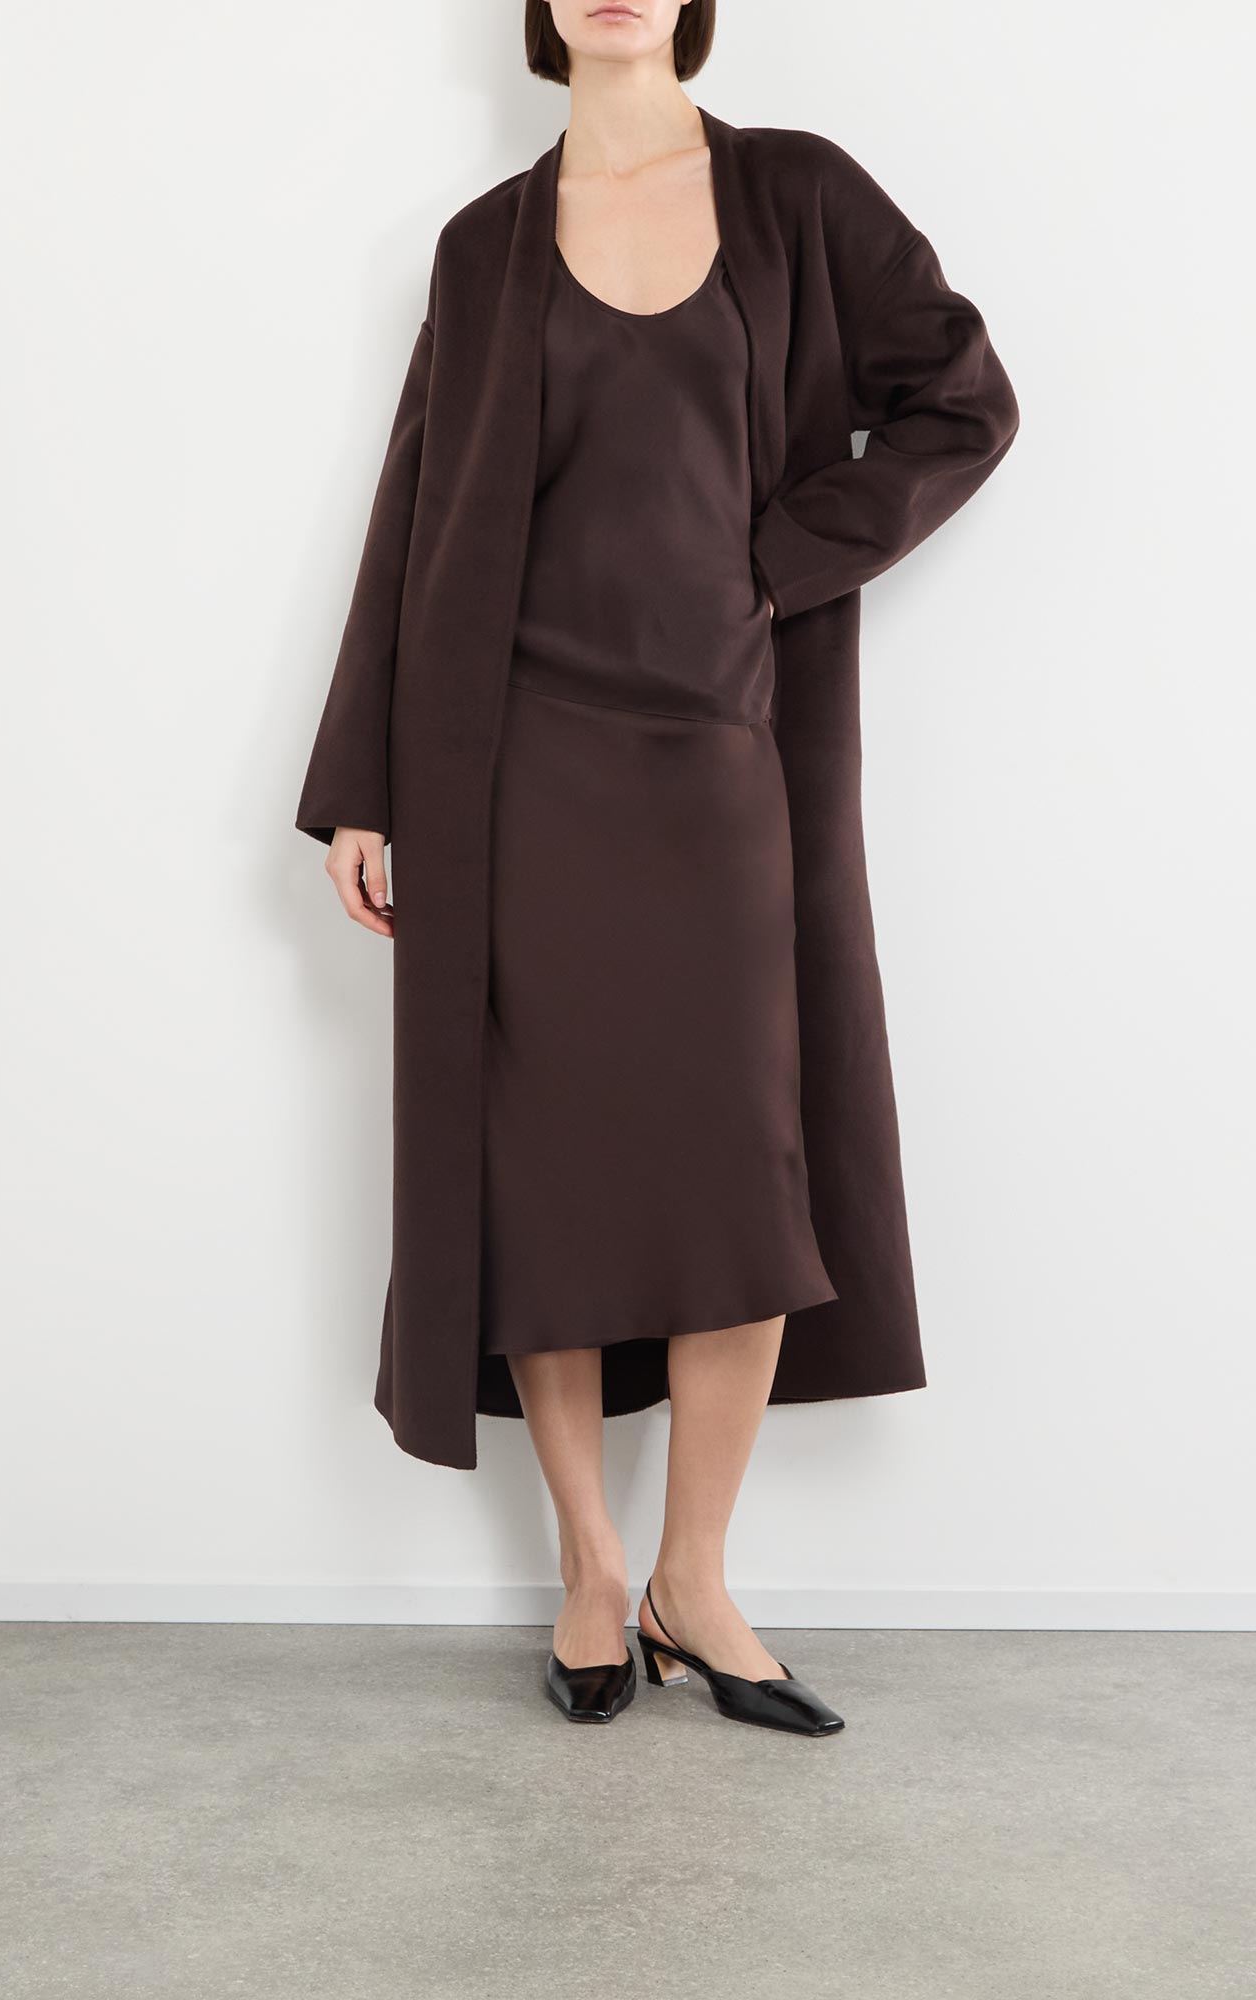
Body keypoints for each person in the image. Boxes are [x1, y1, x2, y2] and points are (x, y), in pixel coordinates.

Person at [296, 0, 1018, 1730]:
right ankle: (590, 1569)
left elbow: (967, 402)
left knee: (741, 1172)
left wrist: (782, 559)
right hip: (512, 763)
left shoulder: (799, 196)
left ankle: (698, 1576)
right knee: (541, 1177)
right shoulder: (483, 247)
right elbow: (413, 515)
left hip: (721, 756)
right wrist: (366, 782)